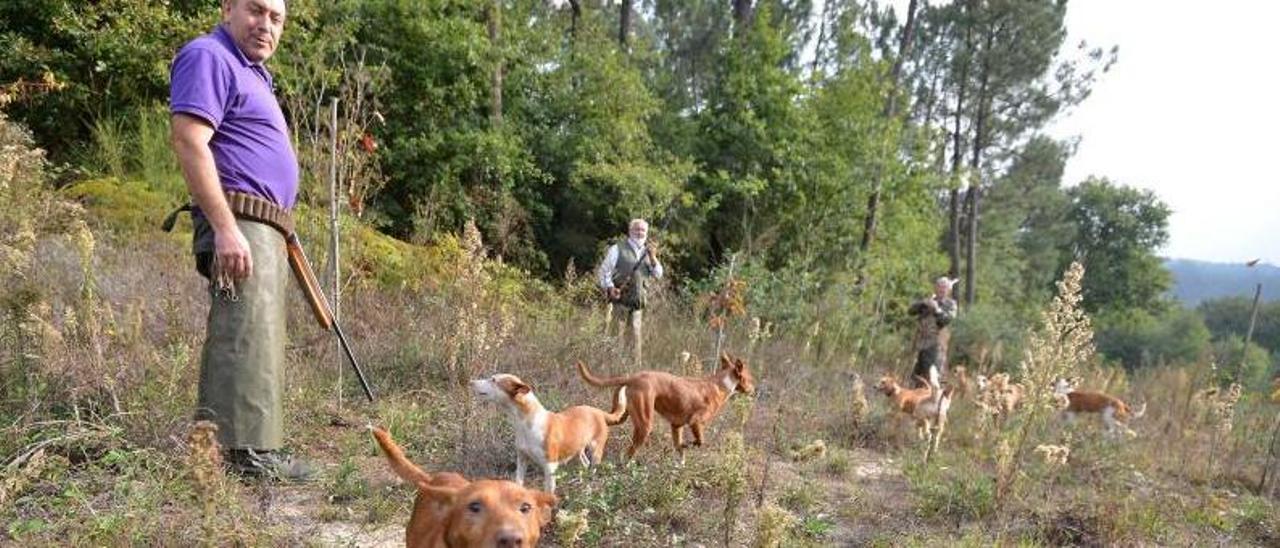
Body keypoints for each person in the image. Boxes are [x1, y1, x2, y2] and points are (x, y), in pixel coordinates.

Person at [169, 0, 311, 480]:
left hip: (264, 223)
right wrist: (227, 227)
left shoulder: (255, 74)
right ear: (227, 7)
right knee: (242, 330)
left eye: (276, 18)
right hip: (239, 219)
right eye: (256, 10)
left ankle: (251, 448)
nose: (265, 25)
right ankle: (242, 456)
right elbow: (190, 139)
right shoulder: (210, 55)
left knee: (260, 334)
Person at [597, 219, 663, 366]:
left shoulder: (649, 252)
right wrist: (610, 287)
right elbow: (603, 272)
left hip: (638, 305)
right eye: (636, 230)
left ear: (646, 233)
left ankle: (633, 374)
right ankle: (612, 370)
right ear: (630, 231)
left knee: (635, 345)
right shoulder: (617, 248)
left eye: (643, 230)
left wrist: (653, 257)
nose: (640, 233)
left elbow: (658, 274)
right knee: (615, 340)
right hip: (620, 303)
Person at [907, 276, 959, 388]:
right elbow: (911, 311)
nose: (941, 290)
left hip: (937, 345)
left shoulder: (951, 304)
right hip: (920, 343)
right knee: (916, 376)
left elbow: (946, 320)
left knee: (934, 375)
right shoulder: (928, 301)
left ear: (948, 290)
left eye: (944, 287)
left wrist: (937, 309)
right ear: (935, 288)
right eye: (939, 286)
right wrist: (923, 303)